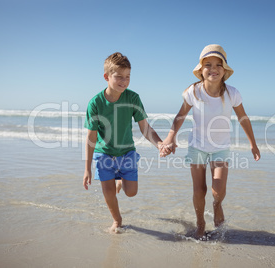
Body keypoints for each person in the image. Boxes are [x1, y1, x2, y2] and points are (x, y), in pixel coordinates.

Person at [161, 44, 260, 239]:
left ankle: (217, 206)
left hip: (220, 149)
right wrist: (170, 137)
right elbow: (180, 116)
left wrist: (253, 143)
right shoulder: (194, 91)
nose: (213, 68)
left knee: (217, 191)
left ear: (224, 70)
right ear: (201, 70)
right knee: (199, 190)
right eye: (208, 64)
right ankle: (200, 224)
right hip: (197, 146)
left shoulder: (232, 93)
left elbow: (243, 118)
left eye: (218, 64)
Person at [83, 52, 172, 233]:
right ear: (106, 77)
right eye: (119, 77)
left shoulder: (133, 98)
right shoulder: (95, 103)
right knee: (107, 191)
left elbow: (145, 128)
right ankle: (117, 220)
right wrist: (86, 168)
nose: (124, 81)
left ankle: (121, 181)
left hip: (126, 152)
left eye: (127, 77)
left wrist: (160, 144)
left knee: (131, 192)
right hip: (104, 152)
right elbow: (91, 137)